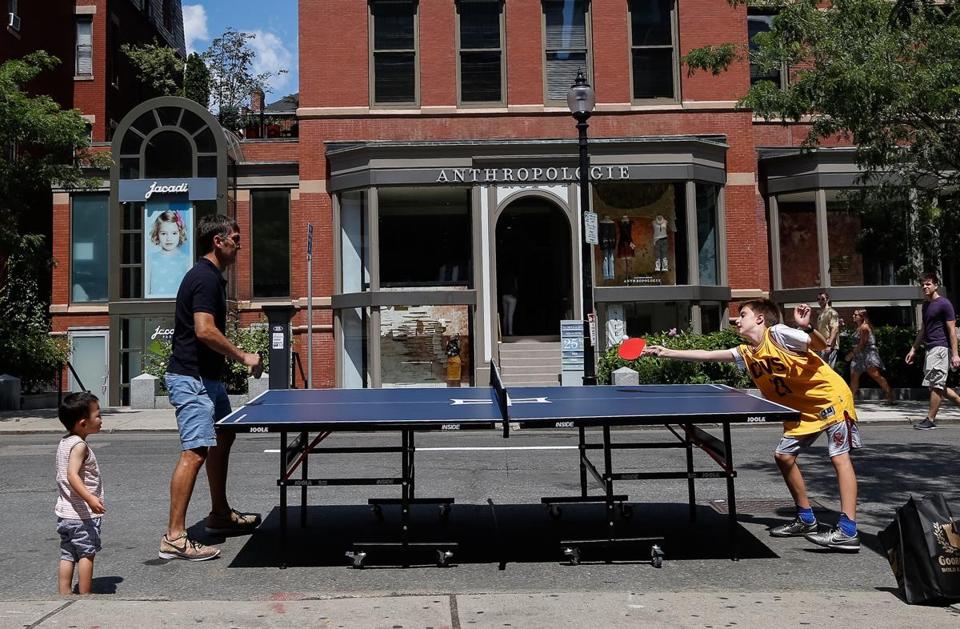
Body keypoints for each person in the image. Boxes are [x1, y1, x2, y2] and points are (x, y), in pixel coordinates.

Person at [643, 299, 862, 552]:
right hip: (800, 411)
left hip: (830, 399)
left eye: (742, 314)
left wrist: (807, 327)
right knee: (783, 456)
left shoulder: (778, 334)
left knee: (839, 458)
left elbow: (822, 345)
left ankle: (847, 531)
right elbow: (706, 356)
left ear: (759, 319)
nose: (737, 320)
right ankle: (806, 518)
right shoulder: (746, 352)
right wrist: (666, 351)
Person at [160, 214, 264, 561]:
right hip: (191, 379)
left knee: (223, 437)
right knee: (195, 451)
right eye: (235, 237)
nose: (239, 243)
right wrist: (243, 356)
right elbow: (203, 329)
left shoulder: (210, 277)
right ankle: (174, 536)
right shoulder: (204, 278)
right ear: (218, 241)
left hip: (208, 379)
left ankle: (219, 514)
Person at [55, 392, 104, 595]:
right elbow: (72, 475)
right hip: (82, 515)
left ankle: (64, 594)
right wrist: (91, 498)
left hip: (65, 513)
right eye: (98, 416)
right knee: (86, 554)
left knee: (67, 554)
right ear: (83, 423)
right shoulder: (80, 446)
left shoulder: (65, 441)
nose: (101, 420)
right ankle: (84, 596)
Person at [905, 272, 960, 430]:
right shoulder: (926, 305)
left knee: (936, 384)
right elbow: (923, 330)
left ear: (936, 285)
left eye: (928, 284)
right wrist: (913, 349)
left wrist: (955, 354)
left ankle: (930, 420)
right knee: (938, 385)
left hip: (941, 348)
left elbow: (952, 331)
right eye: (923, 284)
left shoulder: (945, 304)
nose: (925, 286)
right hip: (930, 348)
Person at [845, 309, 895, 405]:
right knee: (854, 377)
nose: (853, 316)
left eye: (856, 315)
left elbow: (863, 344)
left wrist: (851, 354)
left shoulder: (864, 327)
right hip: (859, 355)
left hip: (868, 354)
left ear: (862, 317)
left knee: (875, 376)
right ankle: (850, 399)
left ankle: (890, 395)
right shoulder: (858, 327)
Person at [146, 210, 191, 298]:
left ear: (180, 233)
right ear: (157, 234)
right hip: (154, 307)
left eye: (174, 233)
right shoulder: (150, 259)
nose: (169, 238)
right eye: (163, 233)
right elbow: (146, 289)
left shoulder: (187, 259)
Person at [815, 290, 840, 369]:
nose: (820, 301)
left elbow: (835, 329)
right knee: (822, 369)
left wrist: (829, 345)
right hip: (822, 345)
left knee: (828, 369)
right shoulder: (821, 313)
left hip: (829, 346)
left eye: (822, 299)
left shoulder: (832, 312)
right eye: (818, 299)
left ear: (827, 300)